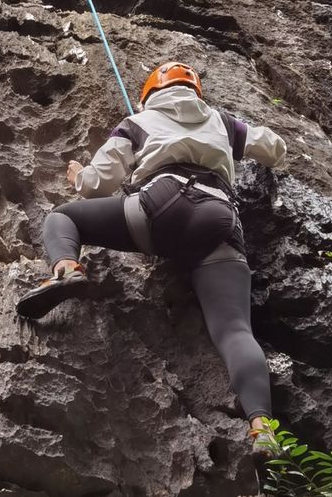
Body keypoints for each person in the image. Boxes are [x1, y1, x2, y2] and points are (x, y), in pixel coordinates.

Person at [15, 61, 289, 453]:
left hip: (159, 206)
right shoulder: (223, 122)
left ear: (148, 95)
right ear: (195, 91)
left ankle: (66, 269)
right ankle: (262, 426)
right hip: (219, 219)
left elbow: (98, 184)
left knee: (62, 216)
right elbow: (275, 149)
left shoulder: (137, 121)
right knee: (234, 331)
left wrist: (79, 175)